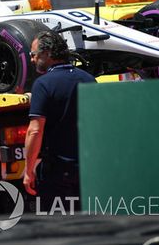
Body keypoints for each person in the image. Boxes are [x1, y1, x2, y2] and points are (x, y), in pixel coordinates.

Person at [23, 30, 96, 212]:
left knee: (58, 228)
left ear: (47, 54)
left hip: (58, 172)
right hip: (89, 170)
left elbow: (35, 131)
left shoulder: (43, 84)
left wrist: (28, 169)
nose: (31, 59)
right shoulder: (89, 79)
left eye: (33, 54)